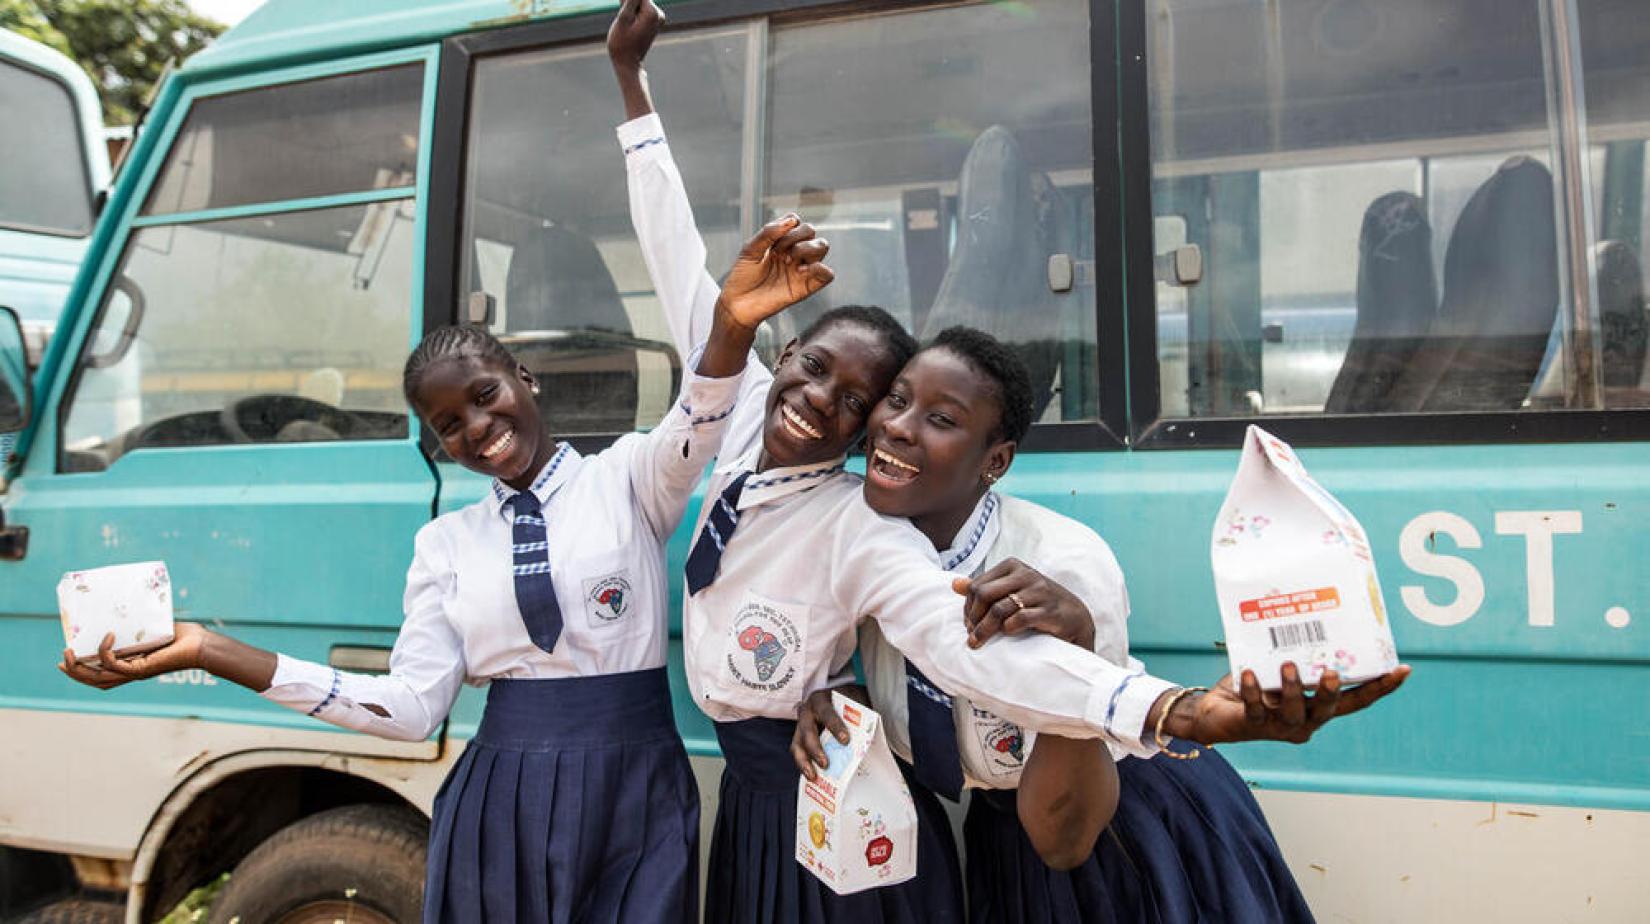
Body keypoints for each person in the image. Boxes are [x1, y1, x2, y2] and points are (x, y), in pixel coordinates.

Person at [610, 4, 1338, 922]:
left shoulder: (876, 534)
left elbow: (971, 653)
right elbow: (677, 259)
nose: (854, 415)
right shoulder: (741, 402)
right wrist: (633, 88)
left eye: (865, 403)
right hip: (842, 813)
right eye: (829, 376)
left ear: (994, 460)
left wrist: (1185, 713)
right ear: (782, 355)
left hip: (1097, 827)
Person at [58, 216, 835, 923]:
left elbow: (704, 408)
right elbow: (407, 710)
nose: (479, 429)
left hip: (637, 797)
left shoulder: (629, 477)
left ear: (524, 380)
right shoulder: (445, 546)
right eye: (449, 425)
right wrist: (208, 650)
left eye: (485, 396)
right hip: (501, 806)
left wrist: (730, 325)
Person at [791, 328, 1411, 923]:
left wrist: (1077, 646)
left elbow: (1064, 841)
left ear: (996, 461)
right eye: (897, 401)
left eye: (942, 419)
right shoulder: (869, 546)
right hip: (998, 839)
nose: (897, 427)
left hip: (1121, 838)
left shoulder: (1062, 565)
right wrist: (839, 692)